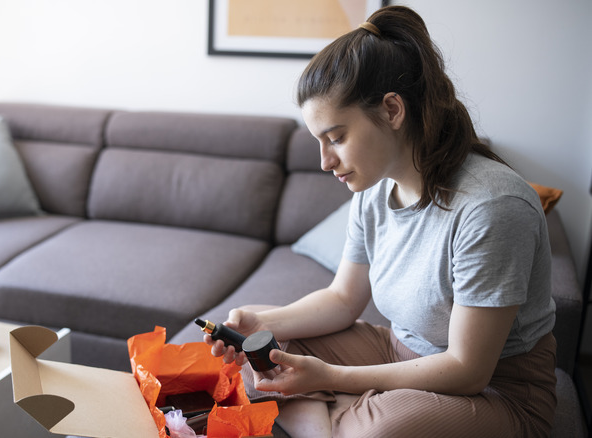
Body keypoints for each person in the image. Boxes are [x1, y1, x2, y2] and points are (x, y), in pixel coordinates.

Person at [205, 5, 557, 438]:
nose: (324, 160)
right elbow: (342, 300)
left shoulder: (491, 206)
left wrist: (330, 377)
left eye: (336, 137)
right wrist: (261, 328)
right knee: (260, 342)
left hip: (498, 391)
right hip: (395, 351)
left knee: (374, 432)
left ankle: (331, 413)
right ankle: (332, 418)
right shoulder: (373, 190)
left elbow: (468, 371)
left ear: (392, 110)